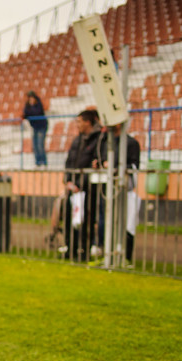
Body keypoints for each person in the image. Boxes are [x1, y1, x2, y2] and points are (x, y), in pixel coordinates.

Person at [97, 124, 141, 262]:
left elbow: (134, 167)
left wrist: (115, 168)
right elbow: (101, 161)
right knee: (105, 220)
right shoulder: (104, 142)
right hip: (106, 188)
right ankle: (106, 253)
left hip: (124, 191)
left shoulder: (131, 143)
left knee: (126, 223)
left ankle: (125, 256)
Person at [64, 109, 104, 262]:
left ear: (88, 122)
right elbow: (69, 161)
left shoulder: (99, 139)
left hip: (88, 189)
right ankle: (70, 248)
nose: (78, 125)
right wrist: (68, 180)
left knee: (87, 220)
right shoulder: (77, 140)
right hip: (72, 187)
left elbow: (94, 165)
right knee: (70, 218)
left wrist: (80, 185)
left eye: (80, 122)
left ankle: (84, 251)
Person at [23, 91, 48, 167]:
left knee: (40, 145)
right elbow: (25, 114)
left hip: (41, 127)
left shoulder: (38, 104)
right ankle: (38, 163)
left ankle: (43, 162)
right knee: (35, 146)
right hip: (34, 127)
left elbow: (36, 112)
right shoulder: (27, 106)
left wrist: (31, 109)